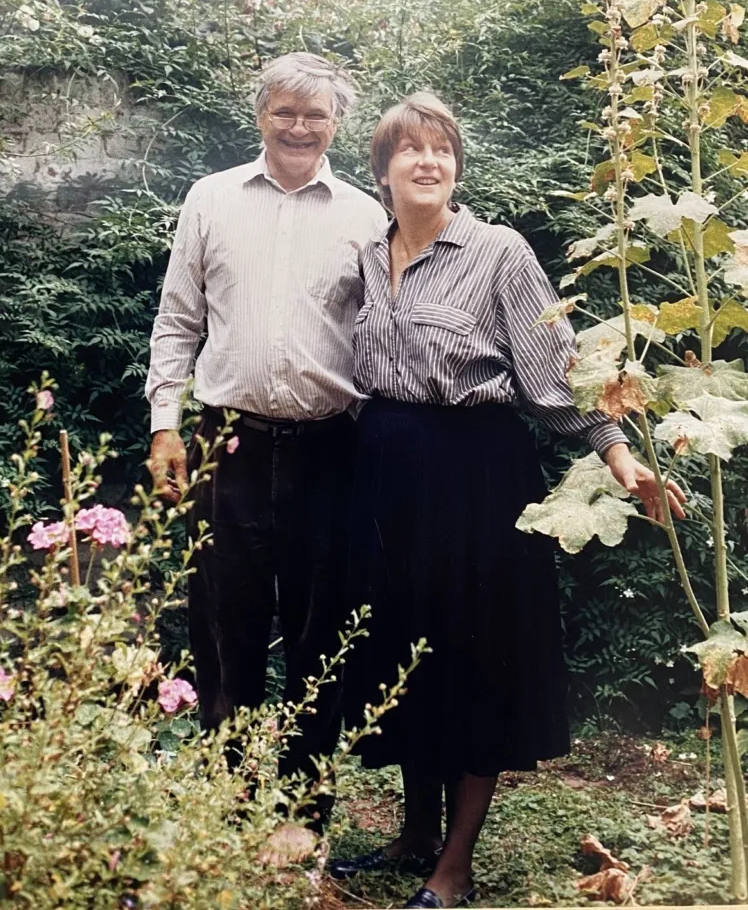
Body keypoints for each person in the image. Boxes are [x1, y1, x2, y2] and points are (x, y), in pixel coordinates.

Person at [331, 93, 686, 909]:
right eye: (410, 150)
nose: (428, 161)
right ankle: (414, 834)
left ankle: (453, 865)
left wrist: (621, 457)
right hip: (383, 478)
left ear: (456, 165)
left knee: (472, 655)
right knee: (400, 652)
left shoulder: (499, 252)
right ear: (380, 170)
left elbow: (555, 377)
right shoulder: (362, 254)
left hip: (475, 478)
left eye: (442, 149)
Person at [145, 52, 387, 826]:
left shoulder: (365, 214)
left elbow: (387, 336)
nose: (300, 126)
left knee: (323, 632)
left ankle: (305, 812)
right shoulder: (210, 199)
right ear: (261, 115)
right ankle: (230, 803)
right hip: (228, 444)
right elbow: (178, 321)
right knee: (225, 627)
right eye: (285, 110)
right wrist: (165, 428)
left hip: (330, 451)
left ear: (337, 124)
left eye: (316, 114)